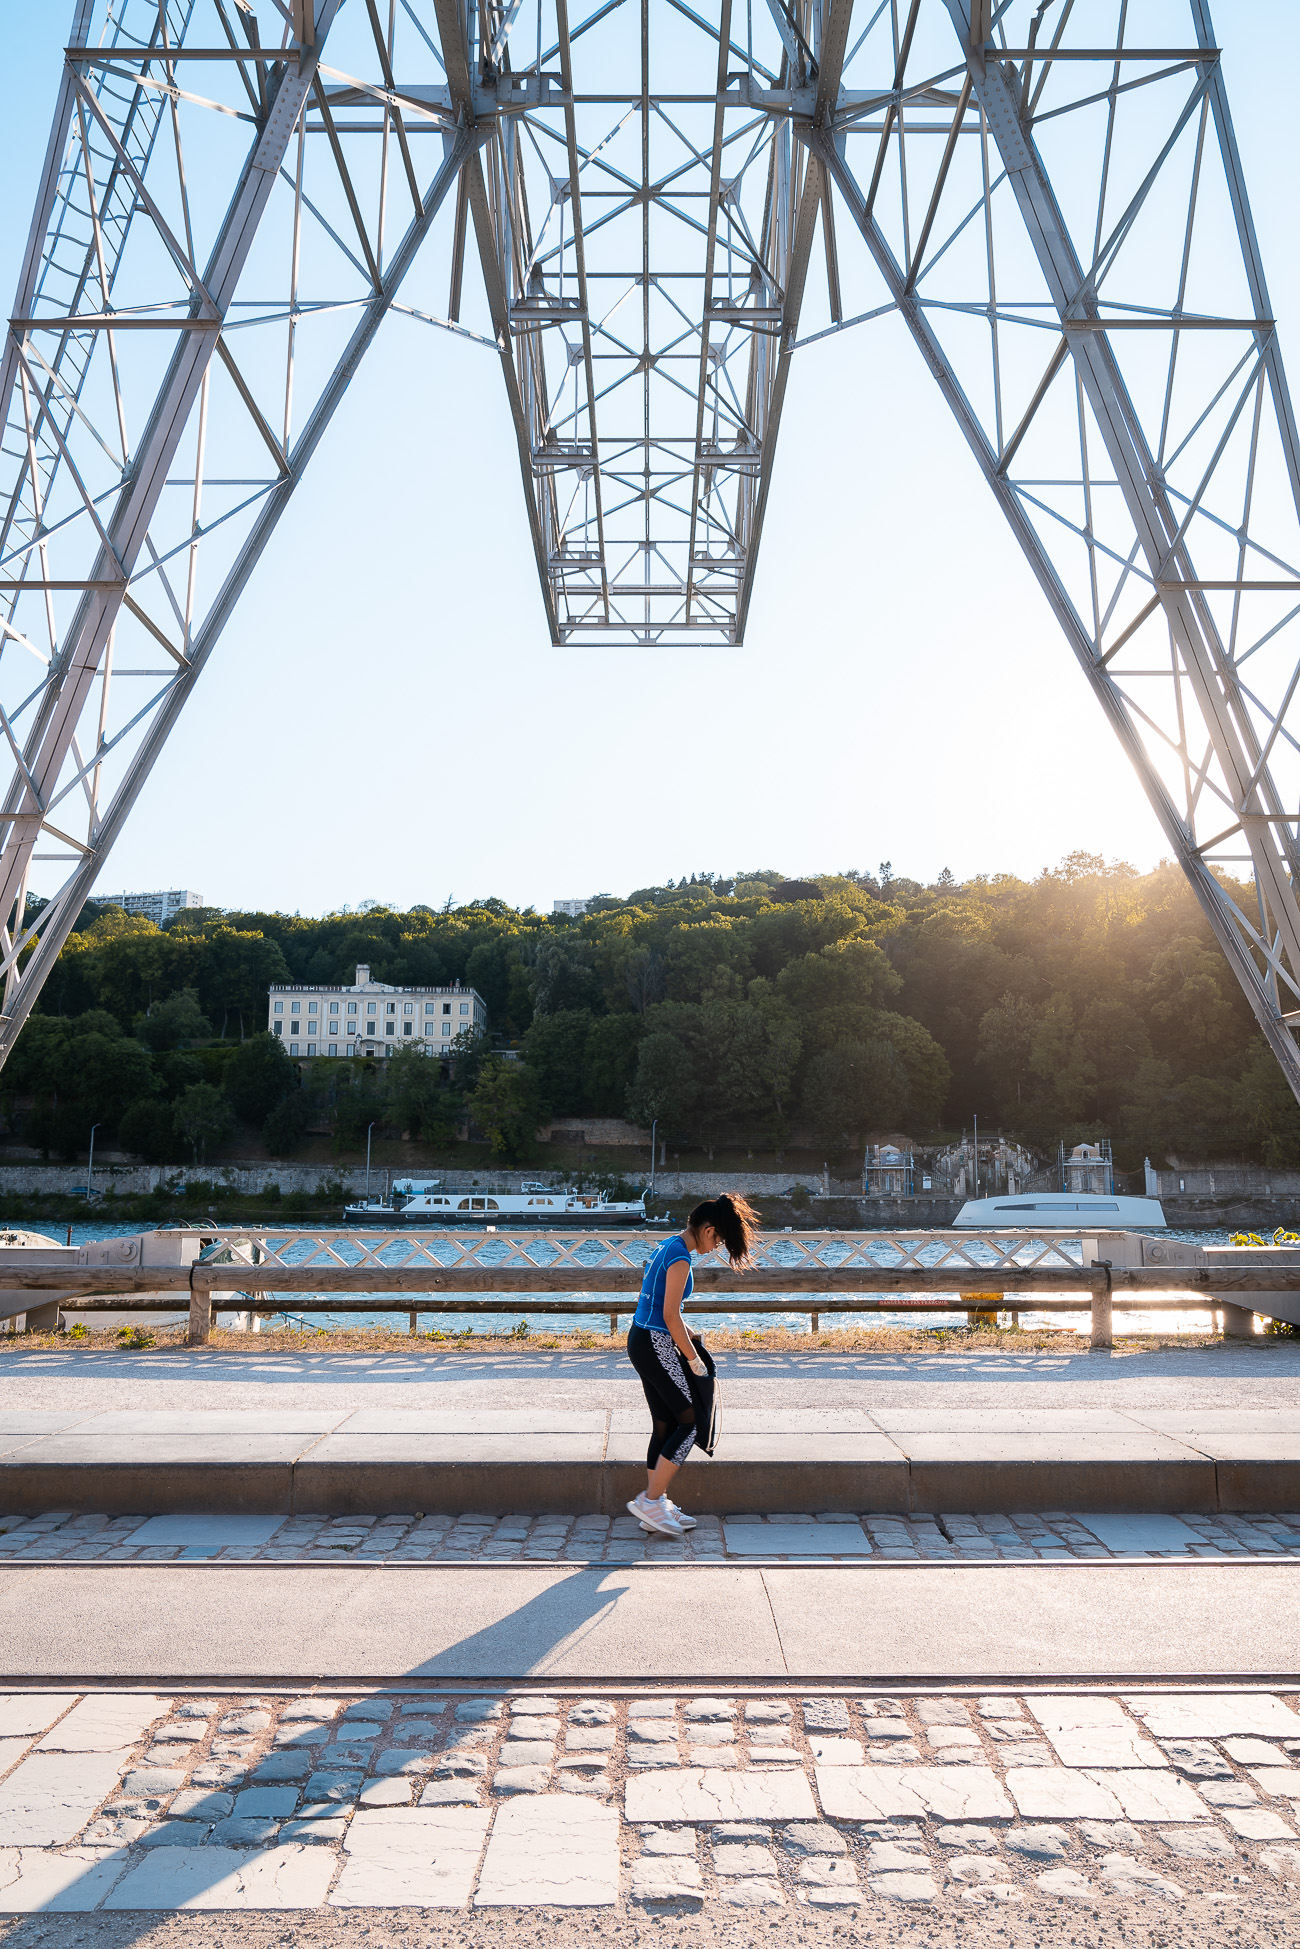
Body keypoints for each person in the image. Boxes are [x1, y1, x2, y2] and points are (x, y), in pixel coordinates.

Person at [625, 1193, 760, 1536]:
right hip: (655, 1343)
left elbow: (665, 1310)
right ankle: (650, 1500)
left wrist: (690, 1337)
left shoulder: (669, 1246)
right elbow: (669, 1315)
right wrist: (694, 1359)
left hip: (641, 1339)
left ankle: (656, 1504)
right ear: (708, 1229)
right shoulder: (681, 1257)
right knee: (690, 1424)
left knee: (665, 1424)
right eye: (718, 1240)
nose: (715, 1247)